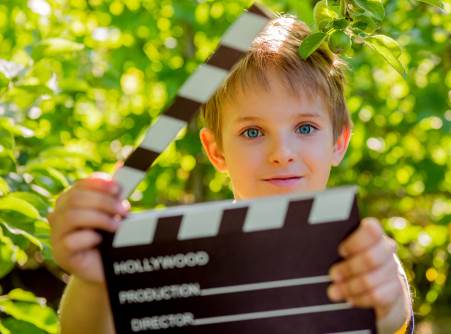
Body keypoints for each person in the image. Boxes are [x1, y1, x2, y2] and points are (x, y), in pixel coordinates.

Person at [49, 14, 413, 334]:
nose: (282, 154)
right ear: (216, 151)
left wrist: (385, 302)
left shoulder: (359, 258)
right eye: (252, 132)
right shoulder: (177, 261)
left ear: (338, 141)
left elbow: (393, 312)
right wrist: (94, 281)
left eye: (304, 128)